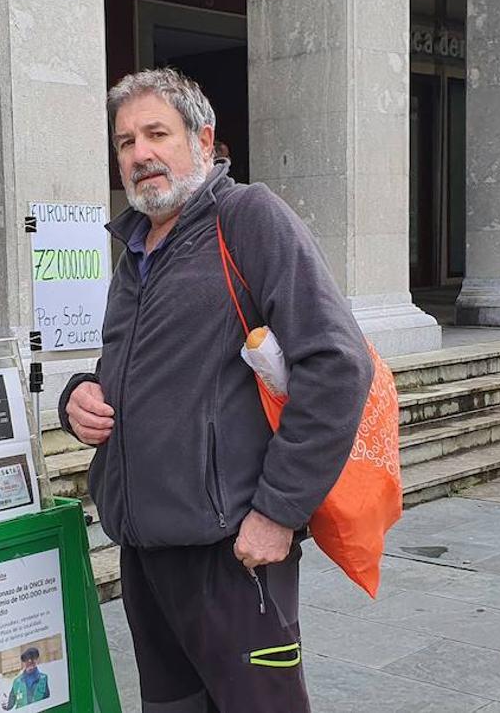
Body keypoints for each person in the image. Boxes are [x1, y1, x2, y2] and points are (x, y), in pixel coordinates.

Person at [59, 68, 373, 712]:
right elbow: (127, 367)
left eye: (156, 133)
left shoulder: (248, 218)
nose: (139, 153)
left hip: (234, 553)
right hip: (146, 550)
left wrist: (278, 512)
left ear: (203, 139)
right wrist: (78, 395)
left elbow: (338, 363)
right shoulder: (137, 247)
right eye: (124, 142)